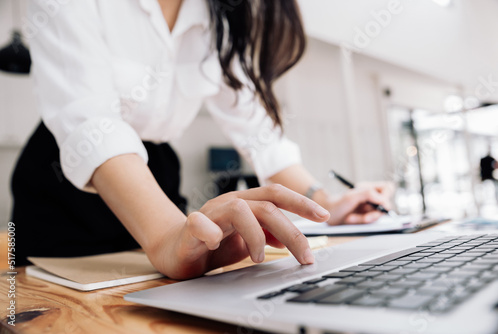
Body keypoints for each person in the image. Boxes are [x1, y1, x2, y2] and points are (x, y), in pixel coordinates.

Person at [11, 0, 393, 280]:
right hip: (69, 178)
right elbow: (92, 124)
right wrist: (165, 238)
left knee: (165, 295)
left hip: (156, 174)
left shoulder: (218, 15)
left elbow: (258, 130)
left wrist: (324, 202)